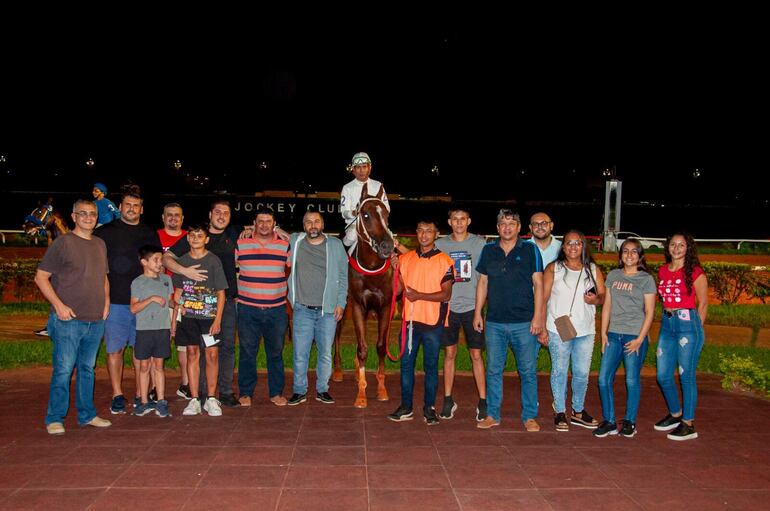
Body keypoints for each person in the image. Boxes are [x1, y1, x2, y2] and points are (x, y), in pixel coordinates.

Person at [35, 199, 112, 434]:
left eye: (93, 214)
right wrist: (58, 305)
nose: (89, 217)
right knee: (64, 369)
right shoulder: (63, 243)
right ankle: (55, 418)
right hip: (68, 320)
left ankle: (87, 414)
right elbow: (41, 277)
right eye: (84, 214)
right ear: (74, 216)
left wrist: (106, 303)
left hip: (95, 319)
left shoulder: (100, 244)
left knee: (87, 369)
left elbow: (104, 277)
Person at [163, 200, 240, 408]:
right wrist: (185, 271)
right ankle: (203, 394)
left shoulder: (234, 234)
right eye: (218, 212)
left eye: (226, 212)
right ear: (210, 214)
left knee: (224, 348)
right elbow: (166, 258)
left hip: (226, 300)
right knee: (200, 349)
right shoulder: (195, 236)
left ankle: (223, 392)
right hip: (197, 307)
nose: (222, 216)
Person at [474, 209, 545, 431]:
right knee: (494, 370)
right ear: (497, 228)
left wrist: (538, 317)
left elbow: (539, 285)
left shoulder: (530, 250)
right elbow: (483, 283)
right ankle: (492, 414)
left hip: (524, 322)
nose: (507, 227)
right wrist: (478, 313)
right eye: (503, 223)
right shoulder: (488, 250)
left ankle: (530, 416)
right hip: (494, 321)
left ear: (519, 227)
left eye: (512, 223)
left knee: (527, 371)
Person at [94, 187, 161, 415]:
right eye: (127, 205)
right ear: (120, 207)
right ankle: (117, 394)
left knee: (141, 352)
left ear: (141, 209)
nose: (132, 209)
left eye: (136, 205)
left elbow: (157, 265)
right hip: (116, 303)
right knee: (115, 350)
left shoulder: (149, 233)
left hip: (144, 305)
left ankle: (142, 394)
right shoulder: (104, 233)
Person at [387, 219, 454, 425]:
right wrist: (394, 270)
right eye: (421, 230)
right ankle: (406, 407)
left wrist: (419, 295)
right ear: (416, 233)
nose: (424, 235)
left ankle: (429, 408)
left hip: (433, 323)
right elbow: (397, 291)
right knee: (406, 366)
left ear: (436, 234)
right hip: (410, 323)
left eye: (429, 231)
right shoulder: (406, 258)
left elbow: (446, 295)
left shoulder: (445, 261)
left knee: (431, 367)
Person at [539, 230, 605, 432]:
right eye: (569, 243)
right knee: (559, 371)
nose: (573, 247)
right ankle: (559, 410)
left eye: (578, 243)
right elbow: (543, 298)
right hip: (558, 328)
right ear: (563, 246)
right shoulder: (554, 269)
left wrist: (596, 300)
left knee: (582, 373)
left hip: (585, 329)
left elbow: (602, 296)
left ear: (584, 246)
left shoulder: (592, 269)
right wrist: (541, 326)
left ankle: (578, 410)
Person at [595, 238, 657, 438]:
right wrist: (603, 333)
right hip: (613, 334)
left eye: (634, 251)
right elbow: (607, 306)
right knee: (604, 379)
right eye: (625, 251)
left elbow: (649, 312)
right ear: (620, 255)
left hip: (634, 336)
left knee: (631, 380)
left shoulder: (646, 279)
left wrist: (640, 338)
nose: (629, 255)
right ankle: (610, 421)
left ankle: (630, 421)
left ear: (640, 256)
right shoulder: (613, 275)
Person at [286, 211, 348, 405]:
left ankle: (322, 389)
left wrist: (341, 303)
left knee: (325, 354)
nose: (313, 225)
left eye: (316, 222)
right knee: (300, 354)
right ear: (303, 226)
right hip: (302, 309)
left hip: (327, 311)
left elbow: (343, 277)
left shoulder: (336, 245)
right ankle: (299, 390)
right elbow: (275, 231)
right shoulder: (296, 242)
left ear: (322, 224)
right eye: (308, 222)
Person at [434, 207, 488, 421]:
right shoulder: (440, 245)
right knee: (449, 354)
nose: (458, 223)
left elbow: (484, 279)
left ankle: (483, 401)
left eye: (462, 219)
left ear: (469, 221)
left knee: (476, 355)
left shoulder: (479, 244)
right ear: (449, 222)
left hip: (472, 308)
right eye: (455, 219)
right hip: (448, 308)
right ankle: (448, 400)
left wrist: (478, 311)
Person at [655, 232, 708, 441]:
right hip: (667, 324)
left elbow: (703, 304)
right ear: (668, 247)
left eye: (682, 245)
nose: (677, 248)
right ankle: (676, 414)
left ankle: (688, 423)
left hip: (688, 324)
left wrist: (696, 329)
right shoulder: (662, 270)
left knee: (686, 375)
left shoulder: (695, 272)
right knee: (663, 375)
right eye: (673, 245)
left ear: (688, 248)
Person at [171, 224, 229, 416]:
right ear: (187, 238)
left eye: (200, 235)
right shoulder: (182, 262)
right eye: (192, 235)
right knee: (192, 354)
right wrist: (175, 314)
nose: (195, 238)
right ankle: (195, 399)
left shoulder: (213, 261)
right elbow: (178, 293)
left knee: (212, 355)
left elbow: (221, 293)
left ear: (206, 239)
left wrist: (218, 319)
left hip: (209, 318)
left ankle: (211, 398)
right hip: (189, 319)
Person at [236, 209, 291, 407]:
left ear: (274, 223)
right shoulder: (241, 243)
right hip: (247, 309)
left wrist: (286, 233)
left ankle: (276, 393)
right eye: (261, 221)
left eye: (269, 221)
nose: (265, 225)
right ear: (254, 223)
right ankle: (245, 393)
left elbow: (298, 256)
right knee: (247, 352)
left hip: (276, 309)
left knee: (275, 353)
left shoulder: (285, 244)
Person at [129, 245, 173, 418]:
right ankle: (144, 401)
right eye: (155, 259)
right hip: (144, 330)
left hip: (162, 328)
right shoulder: (138, 282)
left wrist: (180, 306)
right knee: (144, 365)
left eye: (160, 259)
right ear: (144, 262)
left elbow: (169, 302)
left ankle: (161, 401)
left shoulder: (166, 280)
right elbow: (133, 308)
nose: (159, 263)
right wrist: (151, 299)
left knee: (159, 365)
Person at [156, 202, 191, 400]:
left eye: (177, 215)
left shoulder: (189, 237)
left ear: (182, 218)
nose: (173, 218)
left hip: (183, 298)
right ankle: (154, 386)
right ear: (163, 217)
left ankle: (185, 383)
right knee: (160, 342)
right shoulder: (155, 236)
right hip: (162, 298)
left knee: (184, 344)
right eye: (169, 215)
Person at [340, 152, 390, 253]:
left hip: (377, 225)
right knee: (351, 236)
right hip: (355, 225)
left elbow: (387, 208)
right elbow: (344, 212)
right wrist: (354, 213)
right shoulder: (347, 188)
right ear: (353, 170)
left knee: (391, 240)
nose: (361, 170)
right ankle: (342, 257)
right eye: (358, 167)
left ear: (370, 168)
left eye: (364, 166)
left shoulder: (378, 185)